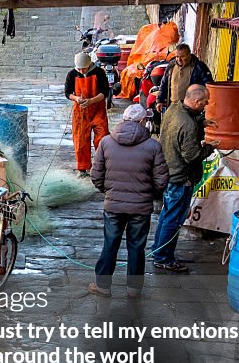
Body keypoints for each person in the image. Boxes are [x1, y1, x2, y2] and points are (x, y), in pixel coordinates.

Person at [88, 104, 169, 299]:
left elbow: (96, 175)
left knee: (110, 244)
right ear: (143, 122)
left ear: (123, 120)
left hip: (113, 205)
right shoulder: (153, 146)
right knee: (136, 247)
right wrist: (148, 195)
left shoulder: (106, 142)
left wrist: (109, 191)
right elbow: (161, 180)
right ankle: (134, 289)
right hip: (140, 207)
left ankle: (103, 286)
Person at [152, 84, 214, 272]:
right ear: (196, 101)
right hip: (180, 177)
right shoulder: (187, 125)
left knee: (167, 214)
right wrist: (211, 146)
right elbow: (192, 156)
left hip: (168, 171)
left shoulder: (174, 108)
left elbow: (187, 123)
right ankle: (163, 257)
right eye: (204, 102)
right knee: (174, 218)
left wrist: (202, 122)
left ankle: (158, 250)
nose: (206, 104)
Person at [65, 52, 110, 176]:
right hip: (80, 112)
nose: (81, 70)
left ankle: (102, 165)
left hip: (97, 110)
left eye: (83, 68)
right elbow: (68, 93)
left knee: (102, 138)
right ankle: (83, 167)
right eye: (79, 68)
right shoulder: (72, 74)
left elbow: (105, 92)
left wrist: (91, 101)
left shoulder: (99, 73)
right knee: (80, 141)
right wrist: (77, 99)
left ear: (89, 64)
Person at [157, 43, 213, 111]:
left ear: (189, 55)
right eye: (177, 57)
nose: (179, 59)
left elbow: (208, 86)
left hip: (190, 109)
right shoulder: (171, 66)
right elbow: (163, 84)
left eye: (182, 56)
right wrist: (159, 101)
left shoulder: (198, 66)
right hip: (172, 106)